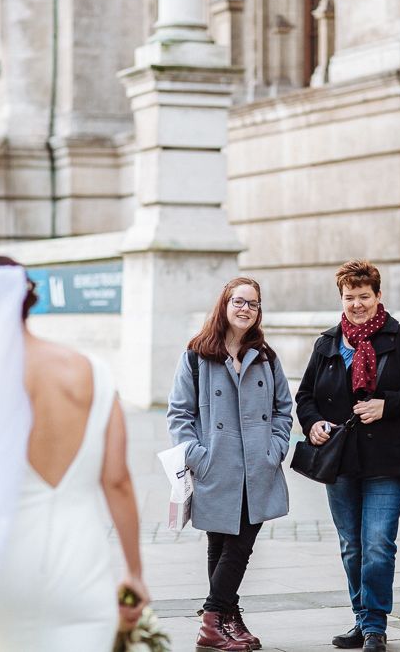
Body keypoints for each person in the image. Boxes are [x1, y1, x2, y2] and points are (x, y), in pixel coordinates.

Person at [0, 256, 148, 651]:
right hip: (81, 571)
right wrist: (134, 572)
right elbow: (117, 481)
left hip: (1, 571)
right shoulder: (91, 371)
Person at [295, 259, 400, 652]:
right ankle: (361, 620)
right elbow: (305, 396)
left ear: (378, 296)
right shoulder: (327, 342)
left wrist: (385, 405)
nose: (356, 304)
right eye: (349, 297)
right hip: (339, 459)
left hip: (389, 458)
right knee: (351, 544)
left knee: (377, 542)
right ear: (341, 298)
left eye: (363, 296)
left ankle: (375, 624)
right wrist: (313, 424)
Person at [168, 276, 293, 652]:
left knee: (239, 545)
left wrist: (275, 449)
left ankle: (218, 619)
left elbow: (284, 409)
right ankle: (221, 621)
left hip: (258, 467)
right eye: (238, 302)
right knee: (220, 544)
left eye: (253, 304)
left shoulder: (266, 357)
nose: (245, 309)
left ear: (258, 311)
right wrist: (196, 456)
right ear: (224, 306)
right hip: (214, 467)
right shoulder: (196, 355)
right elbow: (179, 413)